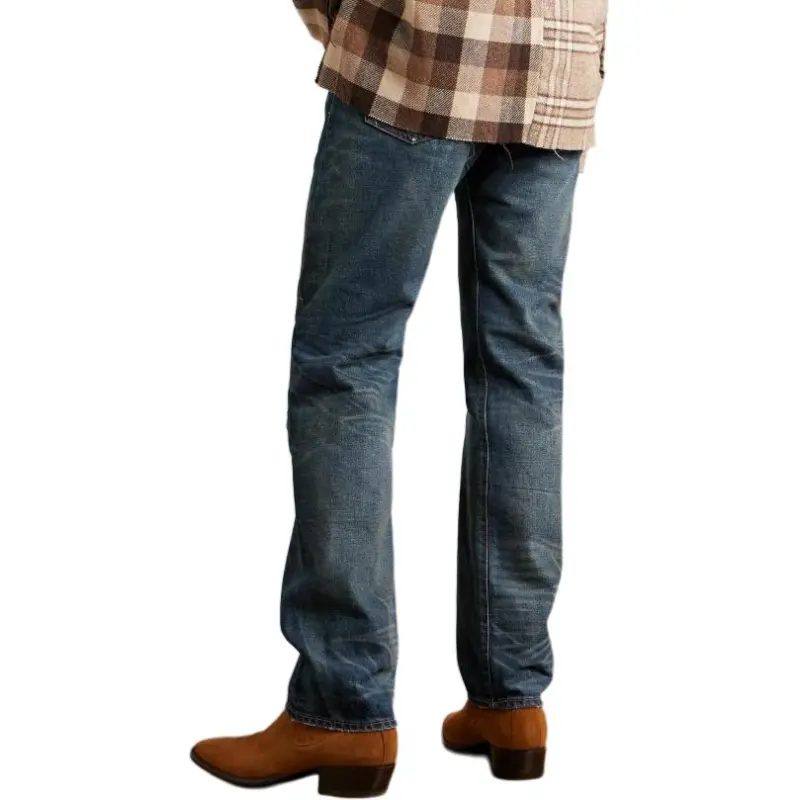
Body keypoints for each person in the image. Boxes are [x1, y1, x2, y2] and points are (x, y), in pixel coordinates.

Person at [191, 0, 608, 795]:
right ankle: (511, 701)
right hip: (558, 64)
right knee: (522, 374)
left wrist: (347, 20)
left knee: (347, 363)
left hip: (425, 44)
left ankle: (342, 706)